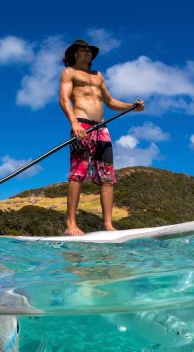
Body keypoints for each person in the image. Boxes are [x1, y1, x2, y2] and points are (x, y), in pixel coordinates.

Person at [58, 39, 144, 236]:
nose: (88, 53)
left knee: (108, 177)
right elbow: (64, 99)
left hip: (102, 127)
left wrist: (132, 106)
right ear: (74, 54)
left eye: (90, 51)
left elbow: (110, 101)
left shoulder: (98, 75)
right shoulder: (69, 73)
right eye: (83, 50)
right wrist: (74, 123)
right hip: (82, 125)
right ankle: (71, 224)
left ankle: (108, 224)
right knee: (77, 174)